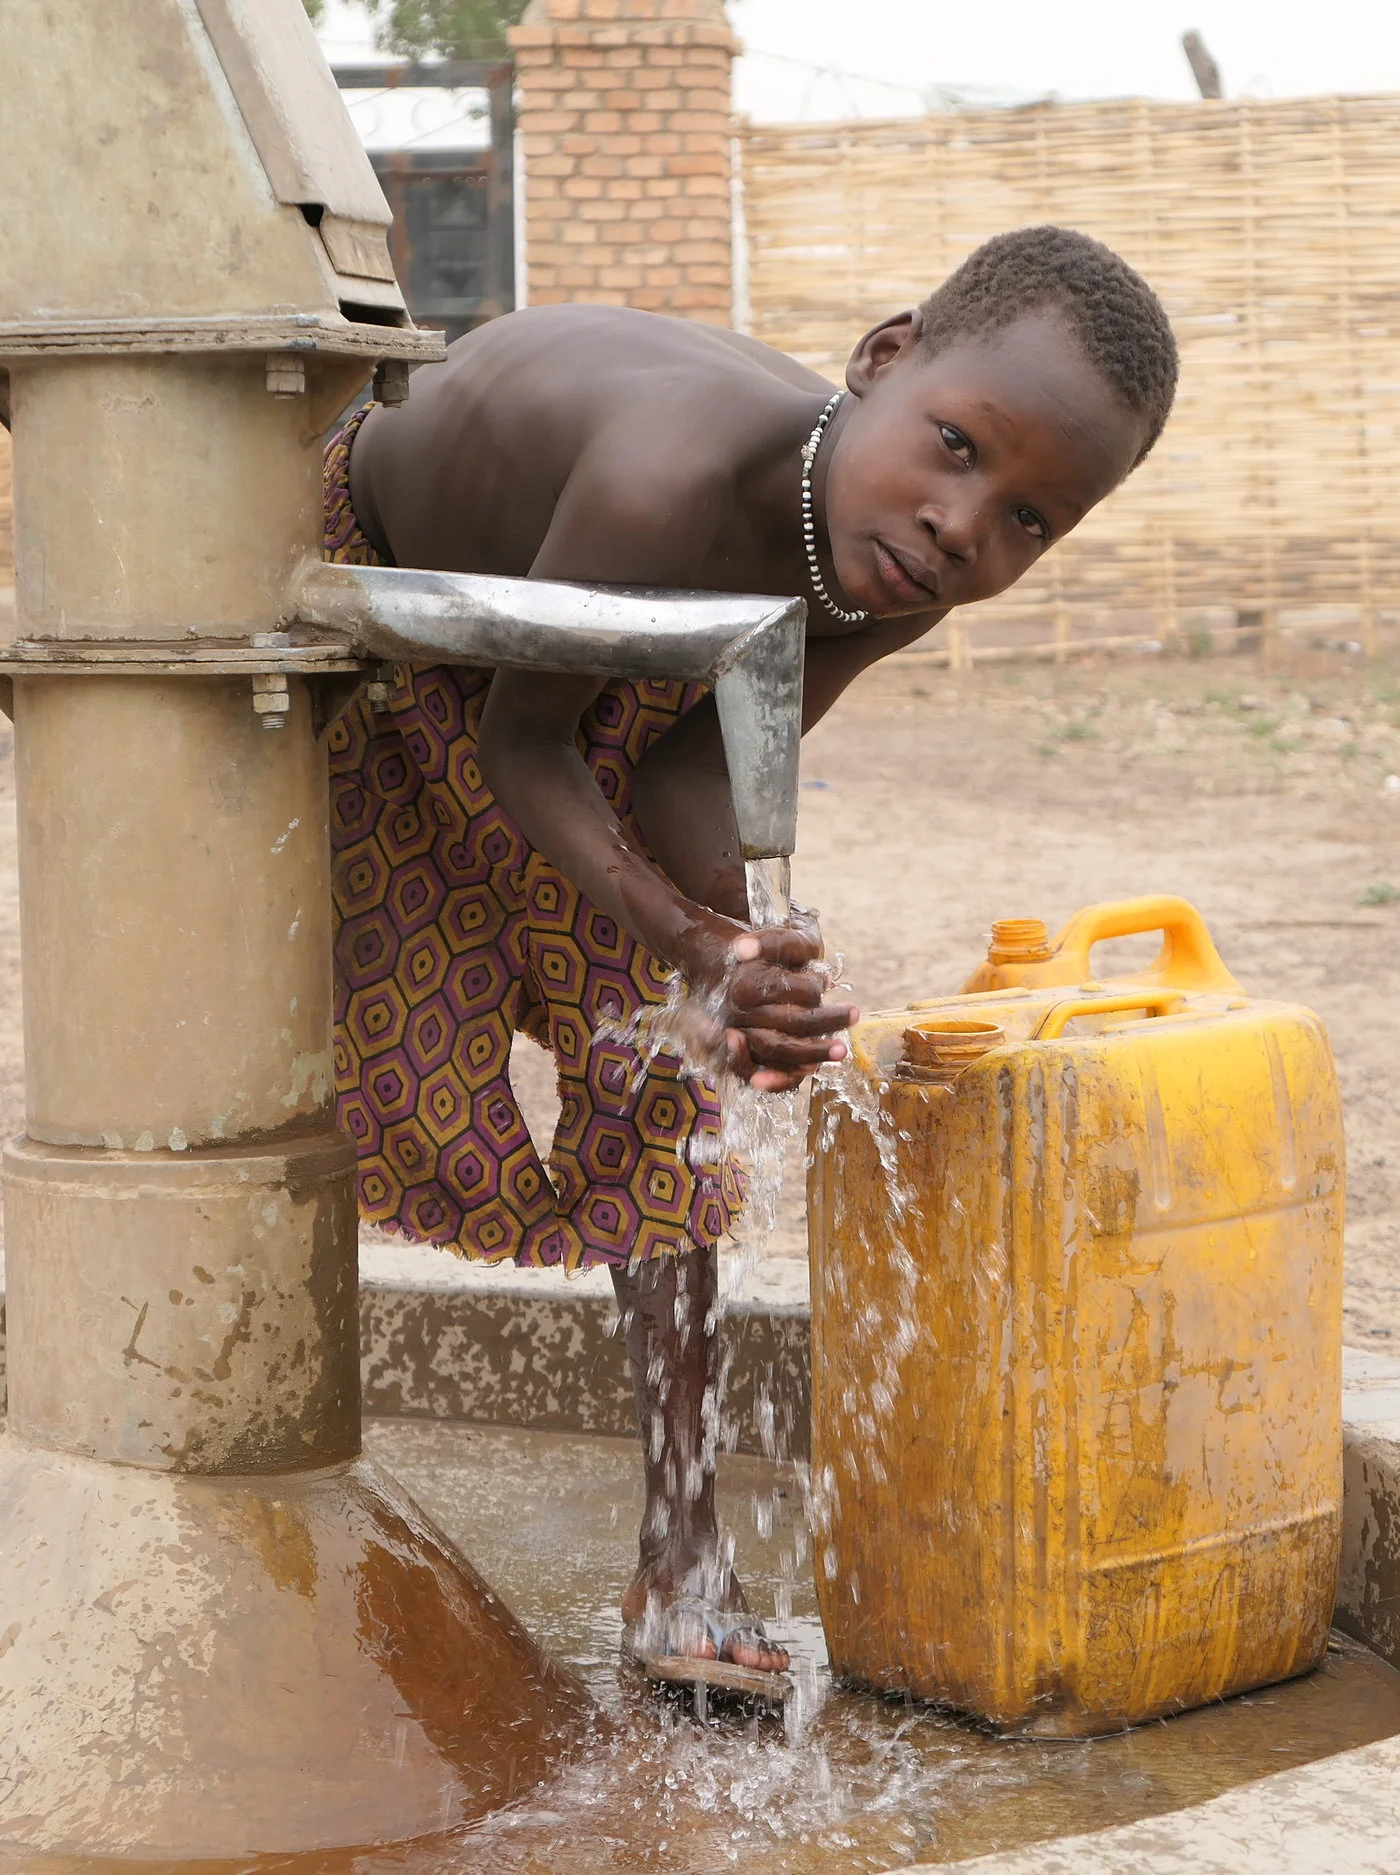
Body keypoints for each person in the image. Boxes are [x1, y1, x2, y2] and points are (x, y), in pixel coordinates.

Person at [323, 224, 1178, 1689]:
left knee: (672, 1057)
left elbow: (688, 775)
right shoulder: (670, 472)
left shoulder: (892, 566)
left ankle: (683, 1552)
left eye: (1031, 520)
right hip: (399, 607)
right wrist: (687, 939)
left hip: (584, 656)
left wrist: (748, 954)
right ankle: (262, 1466)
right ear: (887, 357)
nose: (965, 526)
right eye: (958, 446)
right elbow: (526, 746)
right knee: (342, 1024)